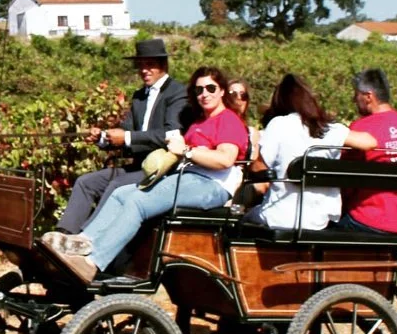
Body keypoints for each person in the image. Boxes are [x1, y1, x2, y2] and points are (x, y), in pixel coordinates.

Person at [58, 66, 249, 284]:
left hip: (211, 184)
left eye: (210, 88)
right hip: (187, 178)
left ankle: (94, 262)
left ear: (222, 91)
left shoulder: (228, 120)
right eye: (198, 90)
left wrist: (187, 151)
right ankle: (83, 243)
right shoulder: (199, 122)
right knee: (121, 193)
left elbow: (225, 159)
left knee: (138, 202)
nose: (204, 94)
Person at [44, 38, 188, 250]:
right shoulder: (140, 96)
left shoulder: (177, 93)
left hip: (163, 170)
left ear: (163, 66)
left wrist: (127, 138)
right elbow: (125, 130)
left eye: (150, 65)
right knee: (87, 182)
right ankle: (63, 235)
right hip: (139, 166)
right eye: (141, 65)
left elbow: (170, 133)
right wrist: (103, 137)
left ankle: (87, 240)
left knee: (115, 186)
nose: (144, 70)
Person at [244, 74, 376, 230]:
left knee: (242, 217)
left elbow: (258, 169)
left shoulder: (279, 124)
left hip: (279, 216)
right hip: (320, 220)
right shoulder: (331, 129)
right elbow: (370, 142)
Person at [337, 68, 397, 234]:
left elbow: (344, 179)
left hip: (365, 220)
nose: (354, 100)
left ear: (369, 96)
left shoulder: (361, 128)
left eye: (357, 95)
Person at [227, 79, 259, 162]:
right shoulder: (217, 126)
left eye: (243, 95)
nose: (239, 98)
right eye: (233, 94)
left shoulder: (252, 133)